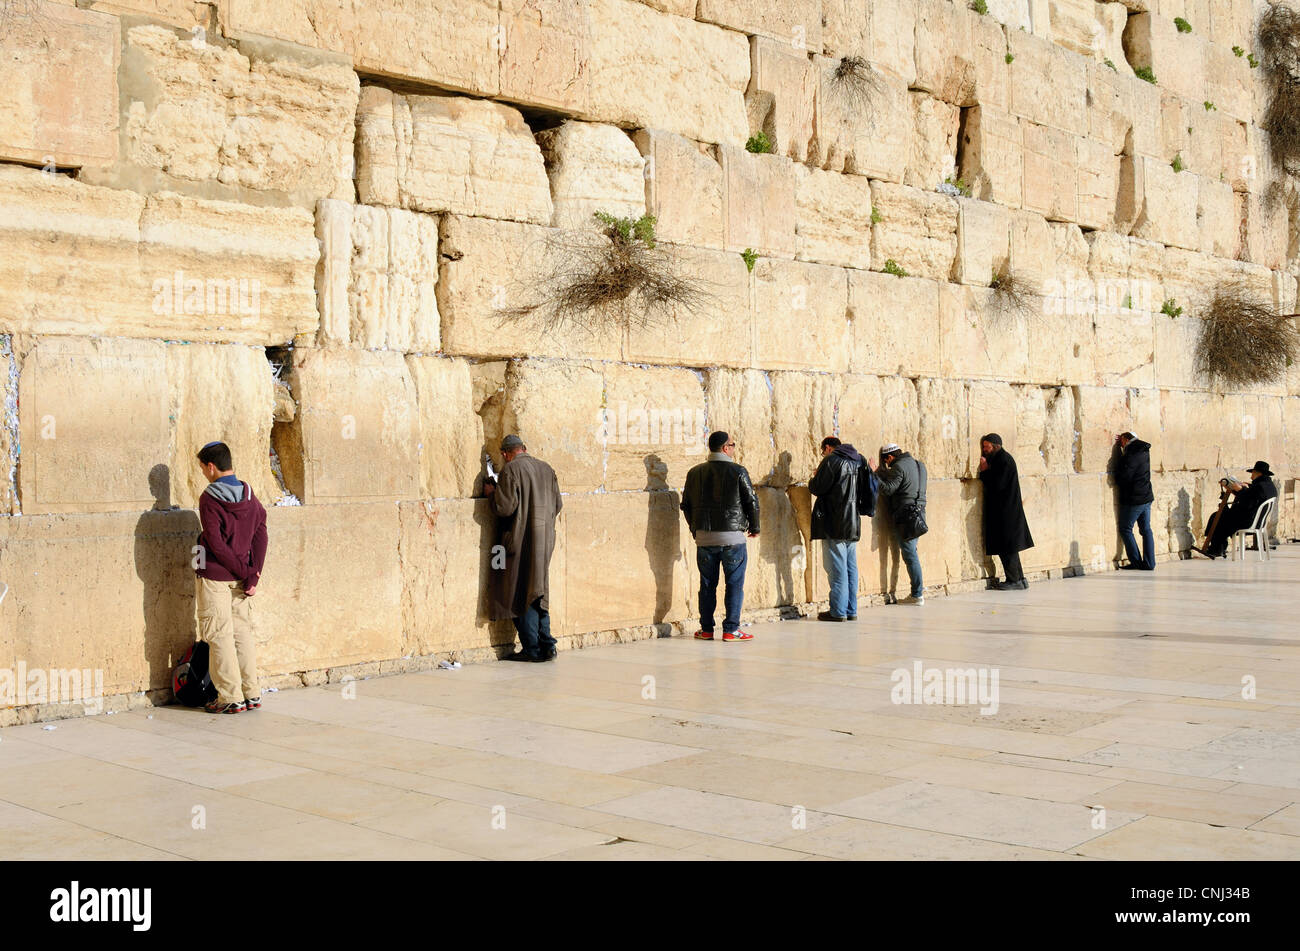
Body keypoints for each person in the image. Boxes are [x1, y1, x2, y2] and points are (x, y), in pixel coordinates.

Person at [194, 441, 268, 714]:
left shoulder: (209, 498)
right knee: (242, 634)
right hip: (242, 577)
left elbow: (214, 543)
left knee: (219, 634)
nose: (203, 473)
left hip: (214, 575)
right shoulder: (249, 493)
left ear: (211, 466)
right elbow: (261, 530)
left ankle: (230, 697)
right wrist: (253, 574)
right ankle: (251, 693)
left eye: (202, 468)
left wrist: (244, 571)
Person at [486, 434, 563, 662]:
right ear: (525, 448)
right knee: (539, 590)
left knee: (520, 592)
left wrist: (492, 494)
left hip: (520, 541)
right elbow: (557, 504)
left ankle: (533, 648)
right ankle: (547, 644)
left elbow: (505, 508)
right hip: (545, 540)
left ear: (505, 454)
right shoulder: (547, 469)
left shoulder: (511, 470)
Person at [680, 431, 760, 641]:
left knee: (707, 584)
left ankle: (706, 629)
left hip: (704, 539)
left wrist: (695, 529)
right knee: (734, 584)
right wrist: (755, 527)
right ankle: (731, 630)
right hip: (732, 539)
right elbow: (751, 500)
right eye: (732, 445)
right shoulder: (738, 471)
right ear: (726, 448)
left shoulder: (694, 472)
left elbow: (686, 505)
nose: (733, 448)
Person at [810, 436, 872, 621]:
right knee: (850, 568)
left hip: (834, 522)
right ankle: (851, 610)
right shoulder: (858, 459)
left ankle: (838, 611)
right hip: (853, 522)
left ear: (828, 448)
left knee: (837, 570)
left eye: (823, 451)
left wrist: (813, 478)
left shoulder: (832, 460)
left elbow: (817, 487)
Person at [869, 443, 926, 606]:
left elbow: (888, 489)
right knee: (911, 552)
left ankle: (917, 594)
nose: (887, 465)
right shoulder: (918, 464)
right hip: (919, 513)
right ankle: (917, 592)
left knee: (909, 554)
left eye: (886, 462)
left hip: (906, 516)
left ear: (890, 457)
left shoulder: (899, 466)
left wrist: (874, 475)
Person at [978, 433, 1034, 590]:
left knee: (1007, 548)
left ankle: (1014, 580)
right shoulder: (1001, 459)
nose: (984, 450)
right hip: (1007, 511)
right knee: (1011, 547)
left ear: (996, 446)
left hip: (1006, 512)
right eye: (983, 447)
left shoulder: (1004, 461)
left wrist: (984, 471)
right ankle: (1020, 579)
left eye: (986, 447)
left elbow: (998, 485)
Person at [1194, 460, 1278, 559]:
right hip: (1258, 521)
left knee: (1217, 517)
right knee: (1220, 516)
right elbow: (1253, 496)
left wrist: (1240, 490)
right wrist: (1245, 488)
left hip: (1247, 521)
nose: (1251, 477)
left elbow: (1249, 502)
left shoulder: (1260, 487)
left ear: (1258, 473)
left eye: (1253, 474)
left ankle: (1216, 549)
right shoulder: (1268, 485)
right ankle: (1218, 548)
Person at [1113, 430, 1156, 571]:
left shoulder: (1131, 453)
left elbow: (1125, 476)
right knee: (1146, 529)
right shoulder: (1143, 450)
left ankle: (1136, 562)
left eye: (1122, 441)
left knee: (1125, 528)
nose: (1121, 444)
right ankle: (1150, 563)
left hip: (1134, 498)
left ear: (1125, 439)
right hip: (1146, 496)